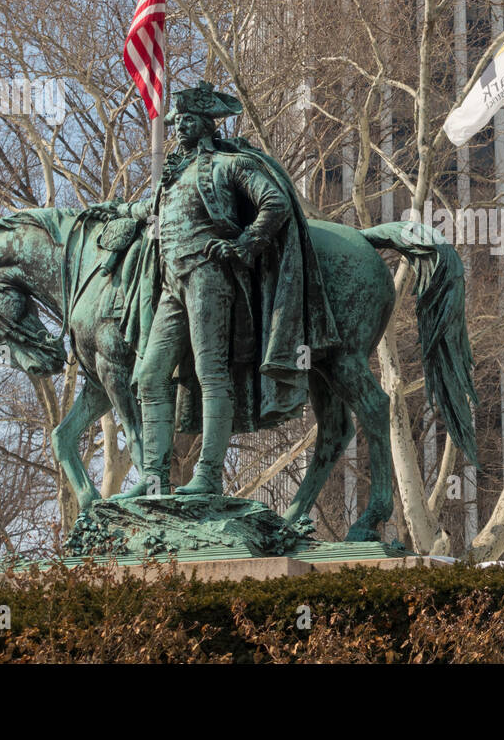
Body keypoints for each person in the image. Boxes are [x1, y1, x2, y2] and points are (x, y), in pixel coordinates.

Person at [93, 81, 338, 497]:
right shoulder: (172, 177)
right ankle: (153, 478)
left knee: (212, 375)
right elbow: (147, 211)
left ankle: (209, 474)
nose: (178, 127)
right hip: (171, 284)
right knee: (151, 376)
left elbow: (274, 203)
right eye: (176, 121)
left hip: (210, 276)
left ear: (206, 124)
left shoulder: (229, 165)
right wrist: (116, 210)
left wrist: (243, 244)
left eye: (187, 120)